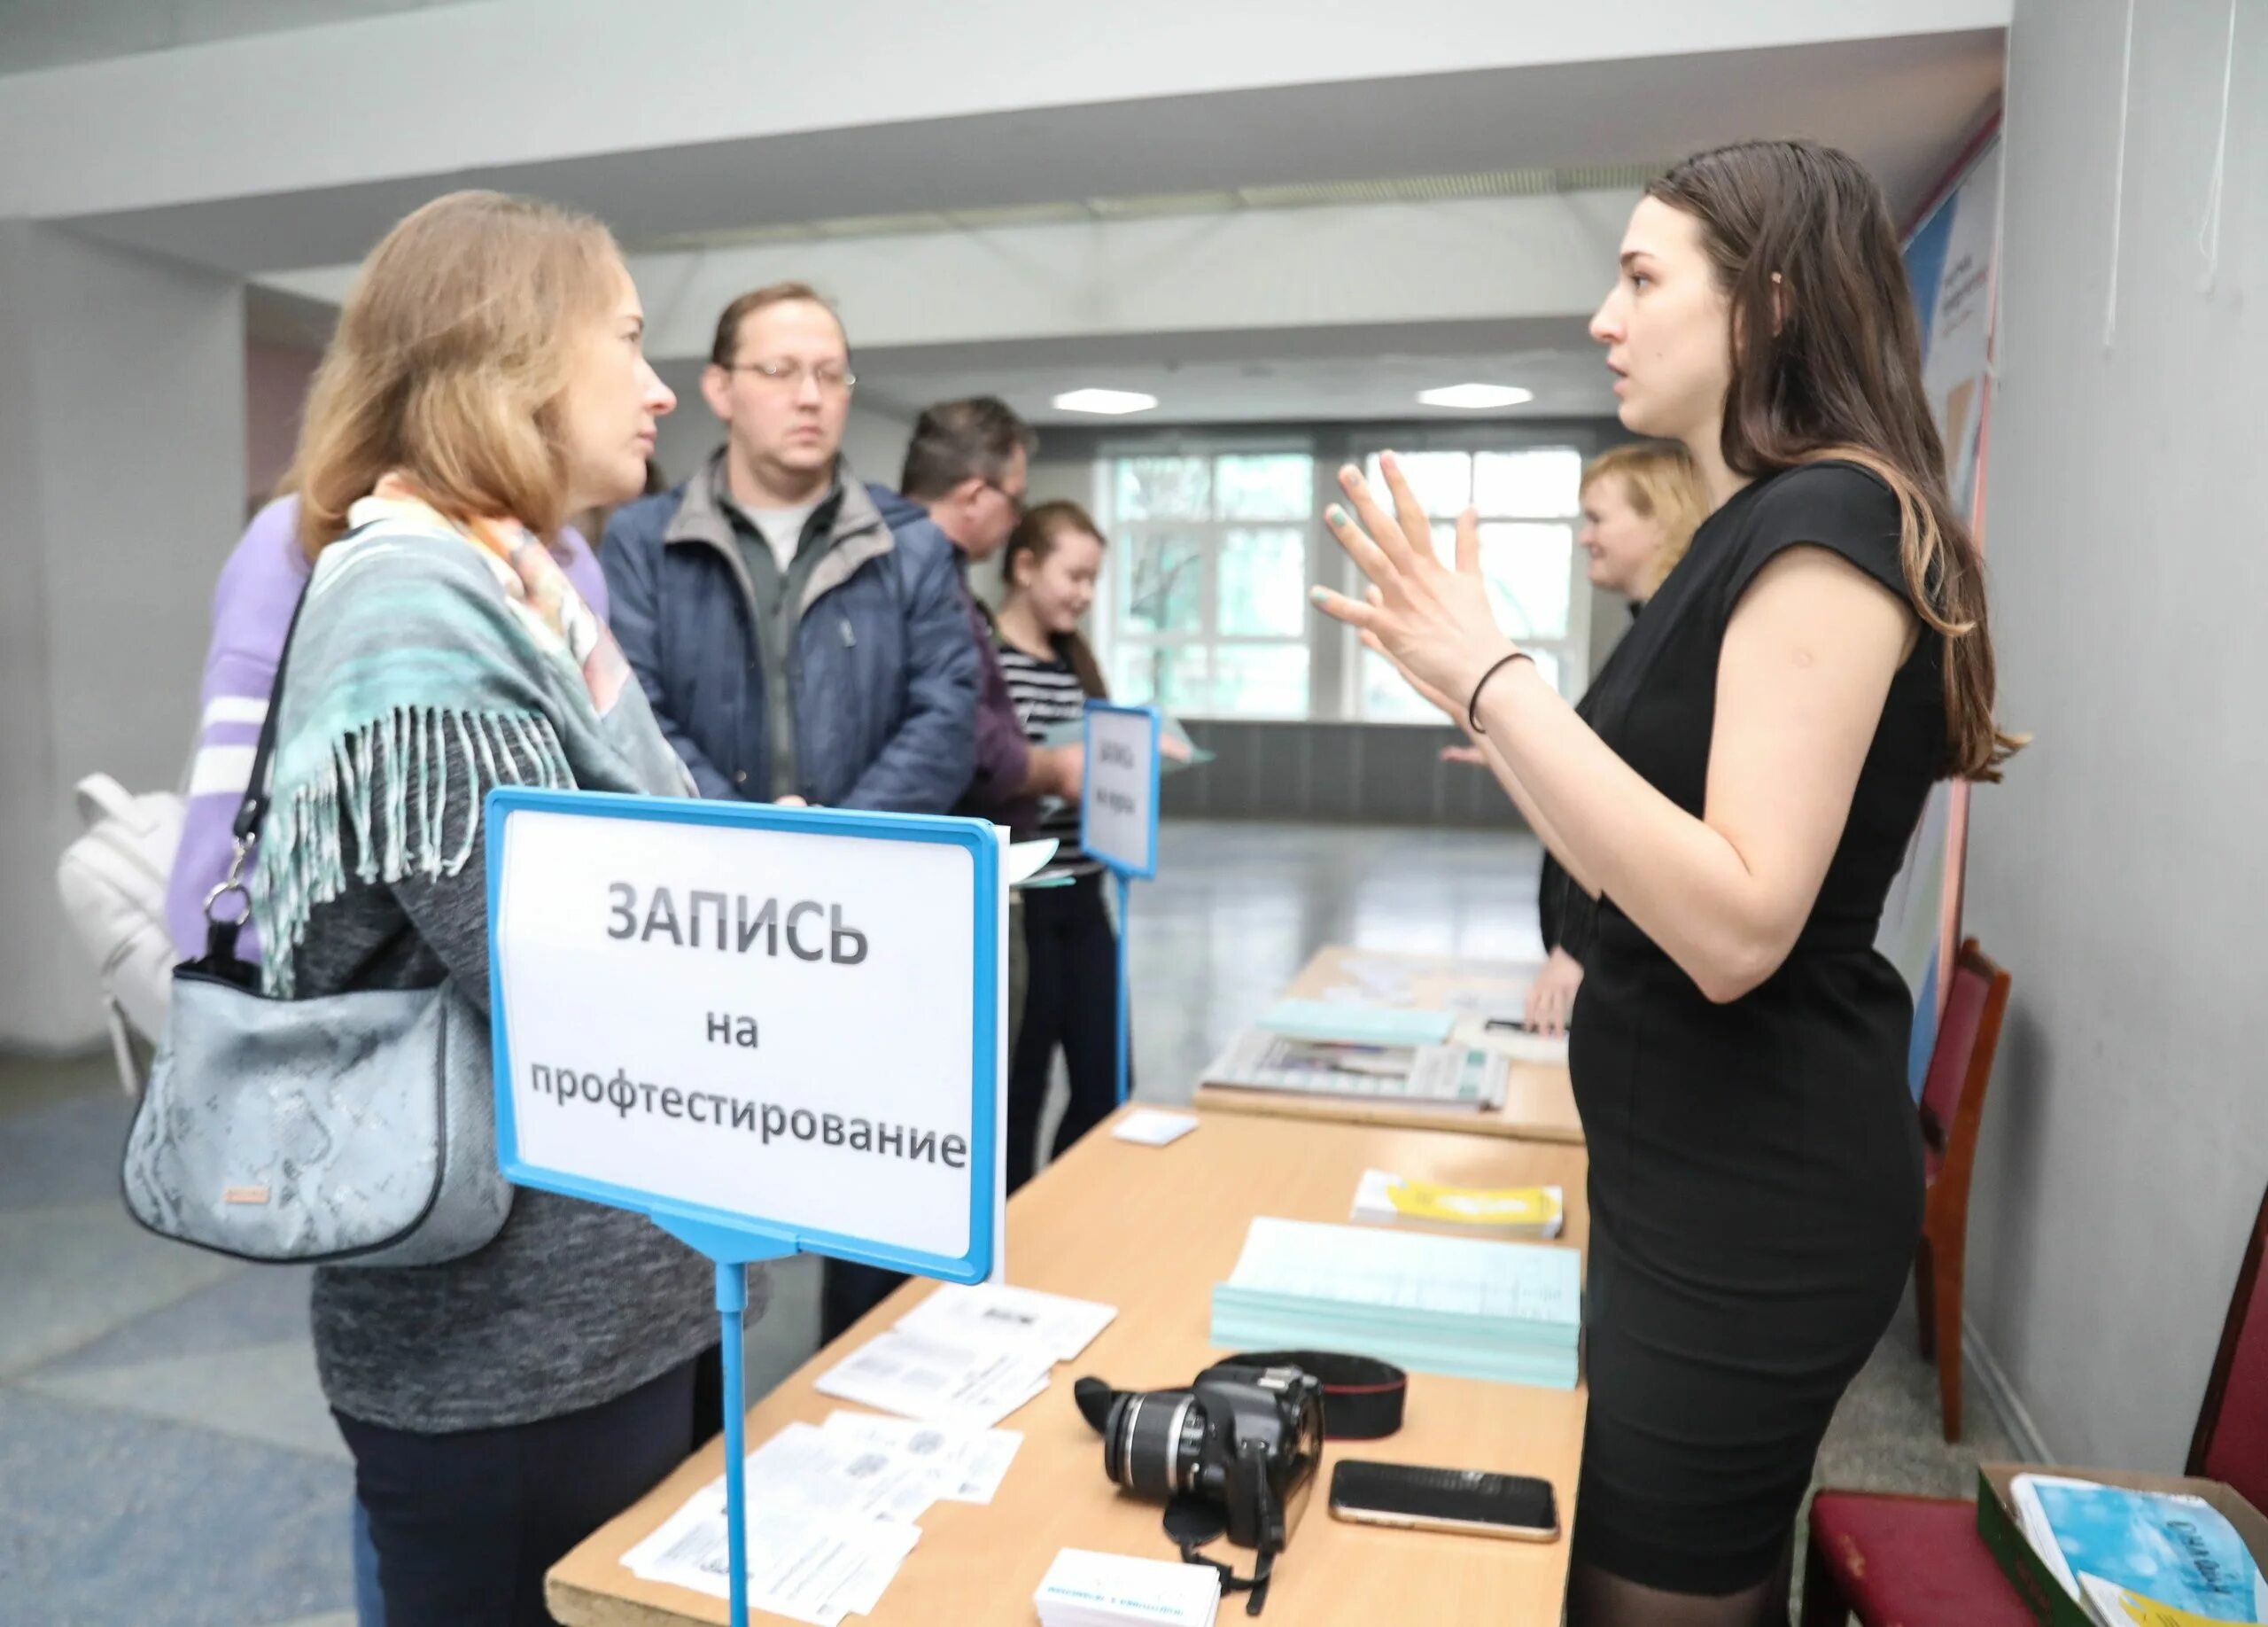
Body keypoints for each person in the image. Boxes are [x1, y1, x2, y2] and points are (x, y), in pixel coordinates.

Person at [1313, 139, 2017, 1626]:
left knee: (1656, 1596)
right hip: (1690, 1154)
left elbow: (1737, 923)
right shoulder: (1765, 520)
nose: (1604, 317)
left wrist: (1493, 677)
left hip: (1753, 1190)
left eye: (1640, 279)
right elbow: (1644, 842)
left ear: (1764, 304)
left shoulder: (1831, 523)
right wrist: (1500, 722)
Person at [253, 189, 721, 1626]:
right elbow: (564, 971)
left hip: (604, 1319)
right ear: (513, 360)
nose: (658, 389)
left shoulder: (514, 591)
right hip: (513, 1360)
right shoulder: (416, 617)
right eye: (629, 342)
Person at [168, 492, 616, 1627]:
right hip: (412, 1113)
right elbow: (256, 815)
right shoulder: (362, 568)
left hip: (567, 1225)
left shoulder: (557, 560)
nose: (654, 386)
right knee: (448, 1537)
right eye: (620, 340)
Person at [601, 282, 976, 814]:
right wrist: (748, 834)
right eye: (779, 371)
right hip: (701, 872)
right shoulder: (643, 541)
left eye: (830, 375)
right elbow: (633, 716)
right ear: (720, 389)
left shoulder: (911, 543)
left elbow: (948, 720)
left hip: (872, 869)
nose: (810, 397)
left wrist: (835, 838)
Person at [1444, 444, 1706, 1037]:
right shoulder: (1650, 632)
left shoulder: (1673, 650)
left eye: (1597, 518)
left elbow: (1628, 822)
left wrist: (1579, 944)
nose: (1585, 537)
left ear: (1661, 517)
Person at [990, 502, 1121, 1192]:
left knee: (1107, 1076)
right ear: (1025, 566)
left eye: (1094, 579)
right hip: (1025, 904)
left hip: (1087, 894)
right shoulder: (986, 663)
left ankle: (1069, 1204)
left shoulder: (1078, 665)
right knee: (1023, 1086)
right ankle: (1019, 1227)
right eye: (1074, 575)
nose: (1084, 594)